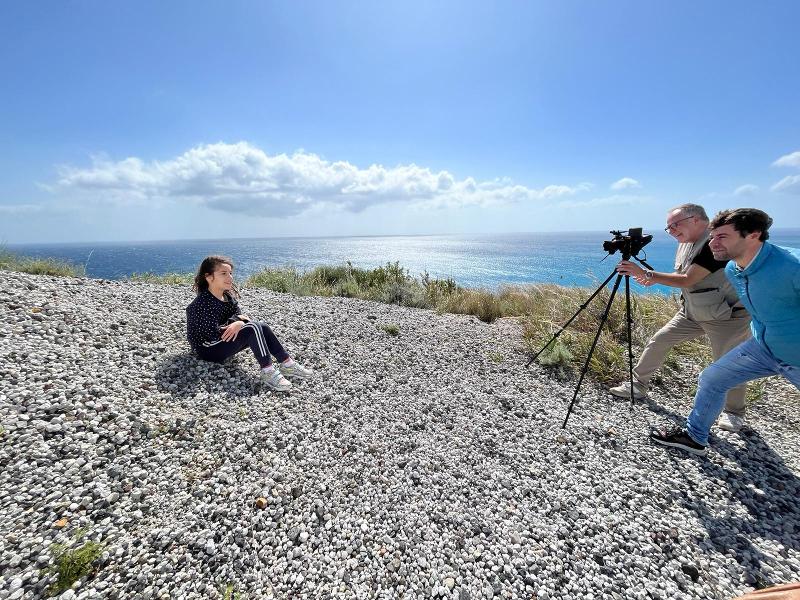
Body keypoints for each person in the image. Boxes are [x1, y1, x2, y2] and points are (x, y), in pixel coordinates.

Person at [651, 208, 800, 456]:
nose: (712, 243)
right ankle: (695, 437)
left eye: (722, 237)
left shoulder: (792, 266)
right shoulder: (733, 268)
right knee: (712, 378)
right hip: (763, 348)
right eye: (712, 236)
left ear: (753, 235)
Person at [611, 203, 751, 431]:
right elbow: (681, 273)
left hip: (726, 316)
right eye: (669, 228)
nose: (672, 231)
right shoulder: (685, 243)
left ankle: (734, 413)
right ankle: (637, 385)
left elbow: (688, 279)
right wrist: (653, 278)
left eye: (675, 225)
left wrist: (646, 273)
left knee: (729, 364)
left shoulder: (714, 243)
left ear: (696, 219)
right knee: (660, 340)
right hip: (693, 311)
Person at [186, 255, 313, 391]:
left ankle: (287, 364)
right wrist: (237, 323)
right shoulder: (202, 303)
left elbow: (241, 317)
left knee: (261, 326)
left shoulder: (227, 296)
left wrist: (237, 323)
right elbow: (211, 334)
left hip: (221, 341)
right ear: (209, 277)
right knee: (252, 328)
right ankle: (268, 371)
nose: (230, 277)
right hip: (207, 349)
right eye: (223, 273)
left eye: (230, 273)